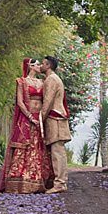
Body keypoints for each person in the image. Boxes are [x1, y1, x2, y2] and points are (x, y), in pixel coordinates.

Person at [0, 59, 54, 194]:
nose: (40, 66)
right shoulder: (21, 81)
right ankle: (20, 180)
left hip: (40, 118)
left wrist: (41, 117)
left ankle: (38, 180)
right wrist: (30, 117)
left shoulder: (43, 82)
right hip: (27, 118)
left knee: (39, 147)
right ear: (30, 66)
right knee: (24, 147)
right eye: (38, 64)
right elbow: (20, 102)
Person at [38, 54, 71, 193]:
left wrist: (40, 118)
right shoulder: (53, 78)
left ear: (48, 66)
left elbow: (48, 101)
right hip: (57, 118)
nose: (40, 66)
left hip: (55, 119)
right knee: (58, 151)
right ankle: (60, 182)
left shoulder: (51, 79)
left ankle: (60, 183)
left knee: (58, 151)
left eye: (43, 64)